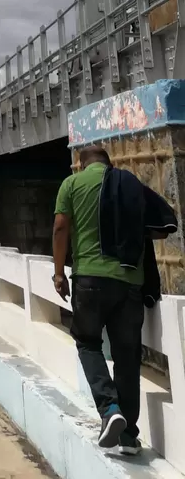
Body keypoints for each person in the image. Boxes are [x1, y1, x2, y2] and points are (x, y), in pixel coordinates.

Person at [53, 145, 175, 455]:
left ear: (81, 165)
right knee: (127, 355)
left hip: (90, 281)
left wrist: (58, 273)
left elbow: (60, 227)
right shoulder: (128, 185)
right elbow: (160, 229)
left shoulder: (72, 184)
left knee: (87, 342)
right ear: (108, 163)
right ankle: (129, 437)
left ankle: (109, 410)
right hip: (130, 284)